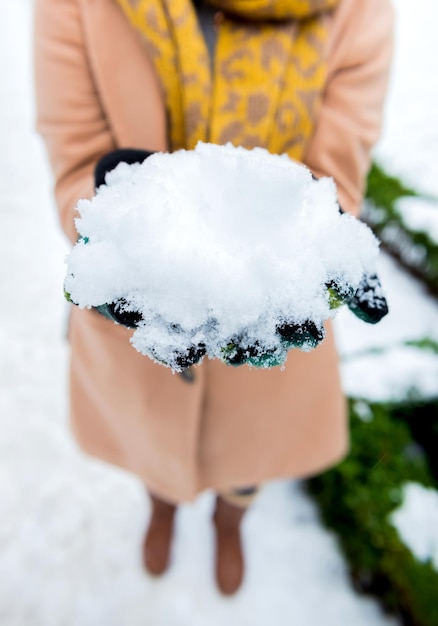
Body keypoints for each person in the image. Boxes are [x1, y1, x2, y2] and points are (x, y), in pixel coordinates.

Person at [34, 0, 393, 595]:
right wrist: (108, 199)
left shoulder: (356, 10)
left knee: (249, 459)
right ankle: (163, 505)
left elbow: (339, 170)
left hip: (267, 322)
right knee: (149, 442)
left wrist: (323, 237)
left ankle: (231, 520)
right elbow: (73, 153)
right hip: (138, 318)